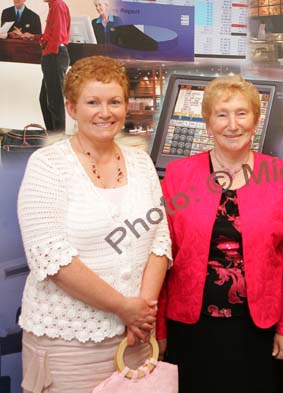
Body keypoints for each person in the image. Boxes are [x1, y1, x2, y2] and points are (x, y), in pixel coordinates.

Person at [17, 56, 171, 393]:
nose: (106, 112)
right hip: (68, 345)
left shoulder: (141, 162)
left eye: (115, 101)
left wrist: (141, 313)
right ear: (71, 108)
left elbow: (160, 239)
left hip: (134, 339)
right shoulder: (48, 166)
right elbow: (51, 257)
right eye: (92, 102)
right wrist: (123, 307)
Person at [157, 75, 283, 393]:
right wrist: (158, 327)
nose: (232, 124)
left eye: (242, 113)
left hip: (258, 328)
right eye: (222, 114)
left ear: (256, 120)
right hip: (191, 327)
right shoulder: (178, 175)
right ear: (208, 122)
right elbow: (160, 257)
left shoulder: (280, 177)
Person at [21, 0, 70, 132]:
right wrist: (35, 37)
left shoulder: (57, 5)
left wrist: (46, 48)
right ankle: (53, 135)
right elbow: (52, 33)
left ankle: (58, 139)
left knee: (54, 102)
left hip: (54, 55)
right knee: (45, 100)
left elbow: (57, 36)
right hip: (52, 55)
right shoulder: (54, 5)